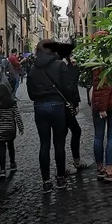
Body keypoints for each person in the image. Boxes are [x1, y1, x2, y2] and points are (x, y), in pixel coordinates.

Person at [27, 40, 80, 193]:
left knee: (44, 144)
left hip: (40, 107)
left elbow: (30, 94)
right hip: (57, 106)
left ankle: (46, 181)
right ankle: (61, 178)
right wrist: (74, 102)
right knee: (59, 143)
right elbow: (69, 87)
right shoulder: (59, 65)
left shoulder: (33, 69)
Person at [0, 83, 23, 181]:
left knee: (1, 150)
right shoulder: (12, 103)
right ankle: (12, 163)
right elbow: (17, 115)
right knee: (11, 146)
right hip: (10, 129)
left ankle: (2, 170)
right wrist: (21, 127)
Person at [63, 55, 88, 173]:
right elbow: (71, 85)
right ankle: (75, 161)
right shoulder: (65, 67)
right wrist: (75, 103)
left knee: (61, 135)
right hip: (65, 105)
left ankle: (61, 169)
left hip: (53, 105)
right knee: (75, 130)